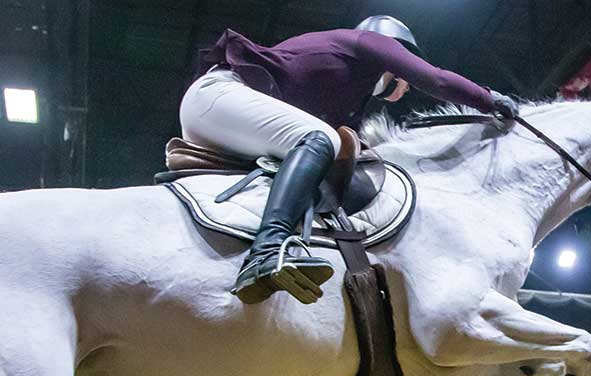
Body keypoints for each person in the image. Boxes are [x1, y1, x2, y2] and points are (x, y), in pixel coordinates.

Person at [181, 16, 518, 305]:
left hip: (223, 117)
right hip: (220, 96)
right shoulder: (368, 42)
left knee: (320, 150)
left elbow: (352, 151)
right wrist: (487, 99)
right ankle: (267, 250)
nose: (408, 88)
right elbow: (436, 80)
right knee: (318, 139)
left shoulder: (347, 97)